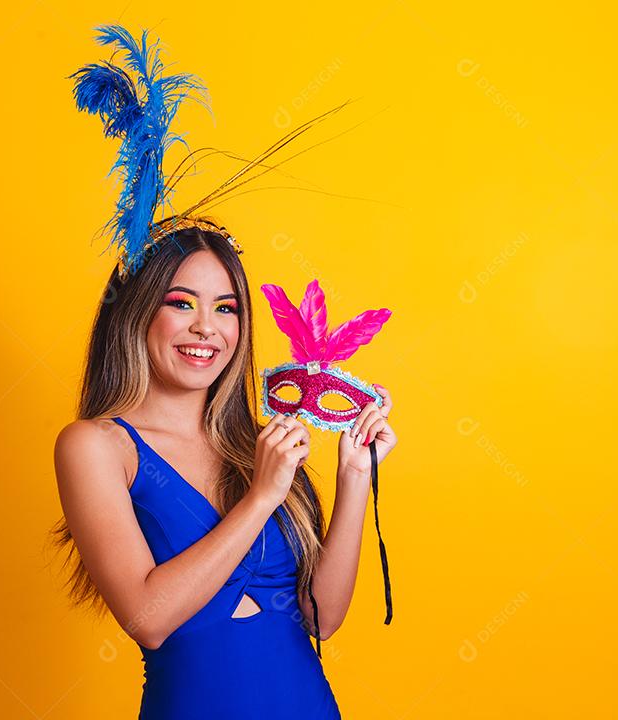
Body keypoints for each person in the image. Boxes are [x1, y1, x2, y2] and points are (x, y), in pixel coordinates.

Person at [50, 222, 397, 718]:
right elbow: (148, 619)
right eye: (181, 303)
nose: (206, 328)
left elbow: (323, 617)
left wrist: (356, 476)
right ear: (136, 312)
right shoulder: (97, 447)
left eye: (226, 308)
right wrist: (260, 498)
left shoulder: (256, 446)